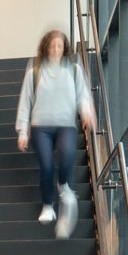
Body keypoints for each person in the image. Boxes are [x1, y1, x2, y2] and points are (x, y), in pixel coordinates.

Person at [14, 28, 97, 239]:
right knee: (47, 166)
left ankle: (64, 186)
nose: (56, 49)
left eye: (59, 45)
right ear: (46, 47)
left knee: (68, 154)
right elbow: (25, 101)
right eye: (52, 45)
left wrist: (86, 112)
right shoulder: (35, 70)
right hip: (40, 127)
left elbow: (83, 96)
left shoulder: (75, 69)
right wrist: (22, 131)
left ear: (64, 48)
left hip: (65, 125)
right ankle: (48, 205)